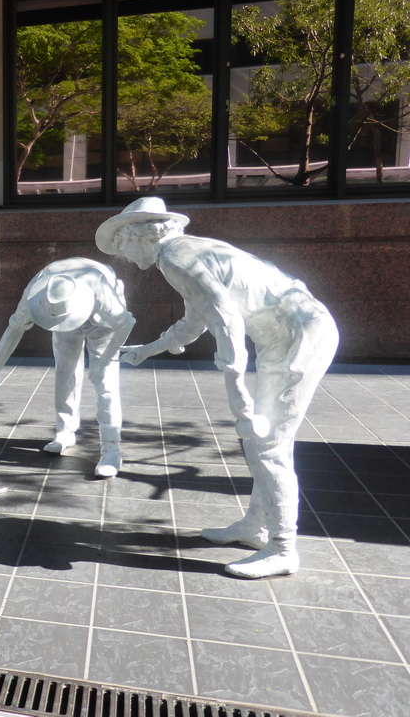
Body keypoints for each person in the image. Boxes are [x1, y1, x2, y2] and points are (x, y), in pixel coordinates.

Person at [96, 196, 338, 579]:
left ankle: (283, 547)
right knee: (262, 445)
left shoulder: (177, 258)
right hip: (289, 336)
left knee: (268, 446)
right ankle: (256, 526)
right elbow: (196, 319)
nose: (122, 254)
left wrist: (236, 388)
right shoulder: (186, 252)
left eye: (122, 243)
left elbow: (226, 320)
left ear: (140, 234)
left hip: (299, 337)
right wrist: (149, 349)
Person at [0, 258, 134, 477]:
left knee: (105, 381)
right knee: (65, 372)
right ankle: (65, 430)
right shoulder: (37, 293)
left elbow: (126, 323)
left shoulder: (102, 291)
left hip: (104, 323)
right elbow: (14, 329)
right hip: (68, 315)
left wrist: (106, 360)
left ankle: (111, 447)